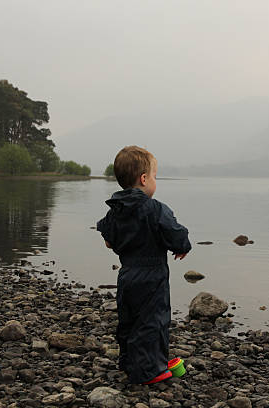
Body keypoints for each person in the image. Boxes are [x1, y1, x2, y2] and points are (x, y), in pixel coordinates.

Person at [96, 145, 191, 384]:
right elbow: (175, 234)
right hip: (153, 275)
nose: (155, 181)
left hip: (127, 274)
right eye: (155, 176)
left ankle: (129, 363)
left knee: (128, 320)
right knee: (153, 321)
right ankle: (150, 370)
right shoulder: (155, 208)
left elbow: (108, 240)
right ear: (144, 178)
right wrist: (182, 247)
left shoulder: (115, 210)